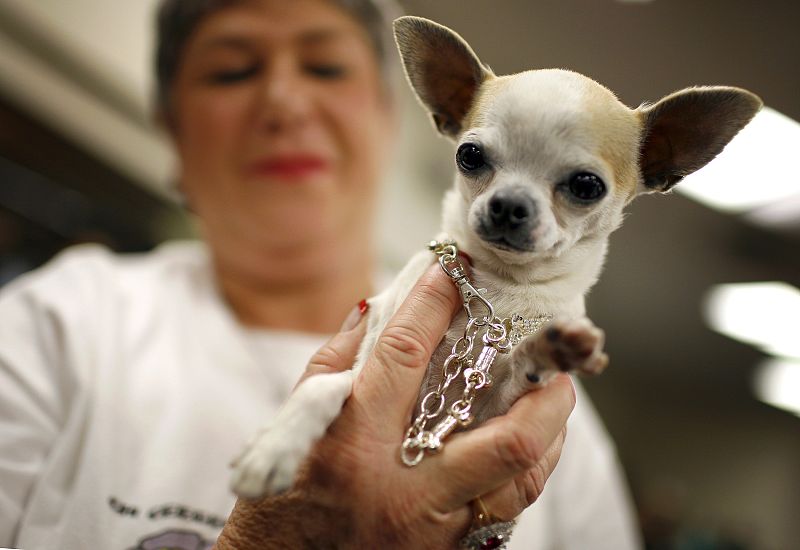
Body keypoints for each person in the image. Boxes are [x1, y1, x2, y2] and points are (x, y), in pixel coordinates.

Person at [0, 0, 642, 548]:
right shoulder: (52, 328)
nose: (285, 101)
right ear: (170, 133)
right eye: (233, 71)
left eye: (325, 67)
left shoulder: (556, 421)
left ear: (393, 114)